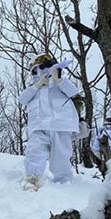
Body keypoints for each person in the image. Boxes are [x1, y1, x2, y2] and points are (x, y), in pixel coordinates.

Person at [19, 52, 81, 191]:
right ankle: (32, 179)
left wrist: (59, 81)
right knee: (34, 151)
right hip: (39, 125)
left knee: (61, 156)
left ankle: (63, 182)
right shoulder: (33, 88)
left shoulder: (60, 83)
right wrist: (37, 85)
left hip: (60, 125)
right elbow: (22, 99)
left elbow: (74, 93)